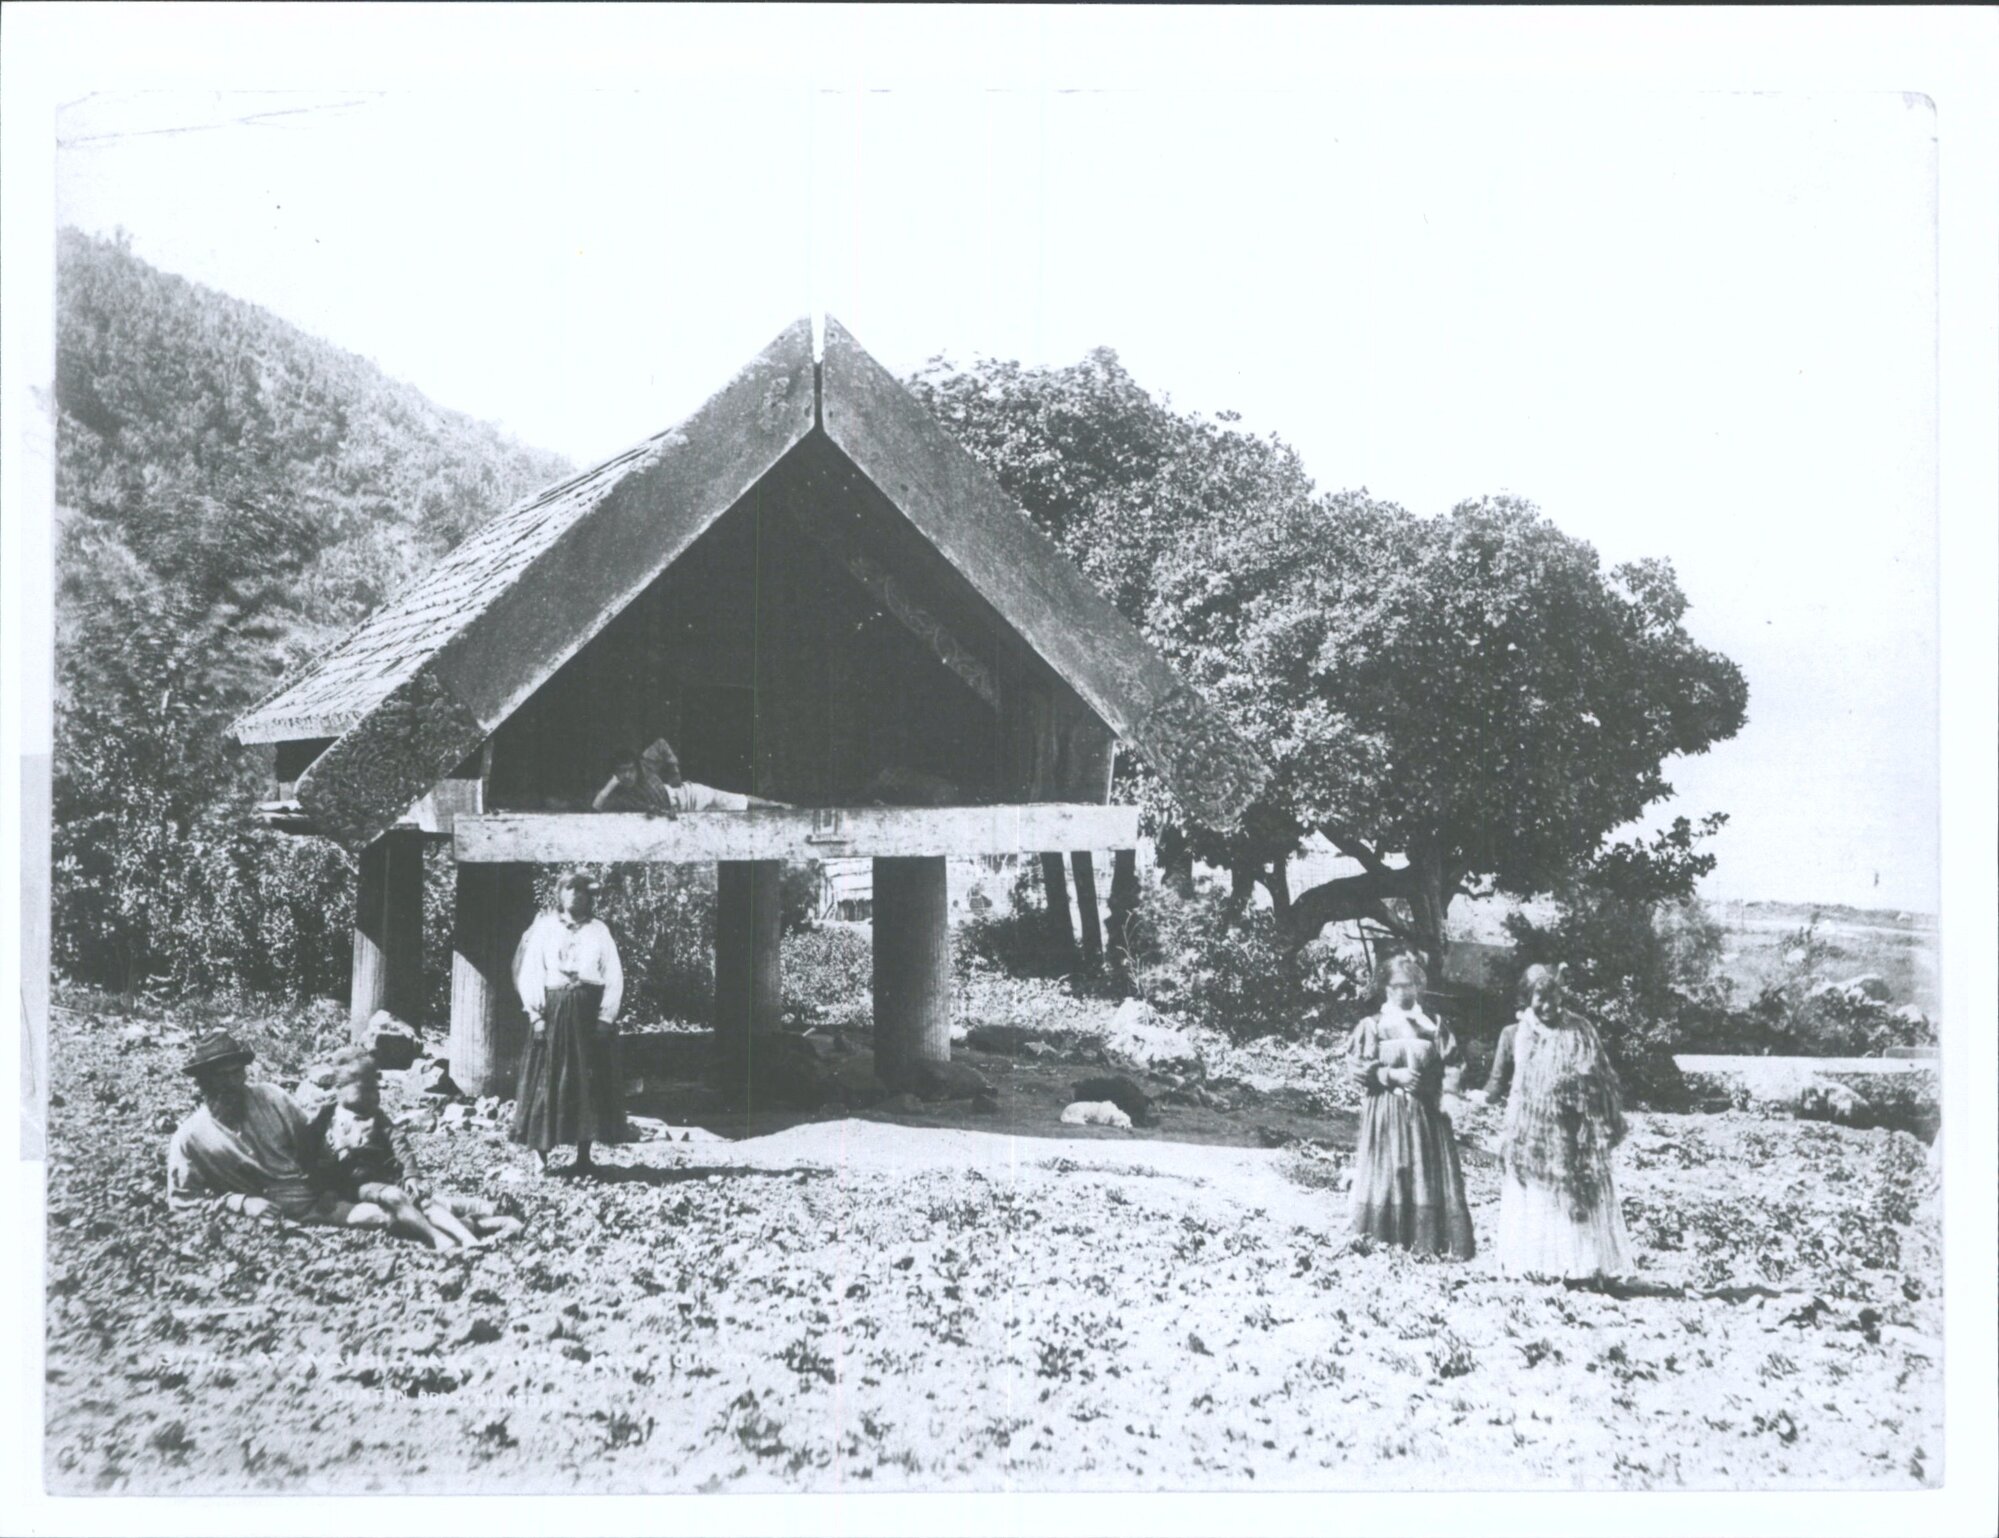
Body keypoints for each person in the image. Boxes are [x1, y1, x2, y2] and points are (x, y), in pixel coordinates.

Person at [166, 1031, 393, 1233]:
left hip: (318, 1197)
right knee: (382, 1215)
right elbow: (182, 1204)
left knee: (388, 1207)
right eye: (221, 1076)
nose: (231, 1083)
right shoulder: (190, 1137)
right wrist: (241, 1203)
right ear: (203, 1082)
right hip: (273, 1216)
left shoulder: (272, 1098)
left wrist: (329, 1186)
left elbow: (316, 1145)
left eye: (236, 1073)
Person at [1495, 963, 1633, 1281]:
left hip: (1574, 1132)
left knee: (1576, 1194)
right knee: (1539, 1198)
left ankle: (1582, 1267)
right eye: (1540, 998)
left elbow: (1602, 1075)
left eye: (1554, 996)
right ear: (1527, 999)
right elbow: (1499, 1083)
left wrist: (1587, 1095)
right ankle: (1538, 1267)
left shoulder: (1580, 1030)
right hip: (1530, 1135)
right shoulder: (1515, 1034)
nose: (1549, 1005)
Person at [308, 1047, 522, 1250]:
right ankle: (451, 1232)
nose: (375, 1096)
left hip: (384, 1177)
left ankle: (471, 1232)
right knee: (398, 1205)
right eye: (365, 1090)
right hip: (352, 1186)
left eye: (376, 1089)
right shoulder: (325, 1119)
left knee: (423, 1203)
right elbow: (311, 1157)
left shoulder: (377, 1117)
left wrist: (411, 1174)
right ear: (339, 1089)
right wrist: (325, 1190)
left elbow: (399, 1143)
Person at [1347, 955, 1476, 1259]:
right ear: (1385, 989)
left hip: (1426, 1114)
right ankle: (1383, 1239)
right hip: (1386, 1112)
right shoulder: (1373, 1026)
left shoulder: (1433, 1025)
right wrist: (1390, 1075)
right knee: (1390, 1170)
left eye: (1409, 986)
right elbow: (1357, 1066)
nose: (1402, 993)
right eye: (1395, 987)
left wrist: (1445, 1091)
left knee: (1422, 1173)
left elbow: (1453, 1064)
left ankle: (1425, 1242)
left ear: (1419, 986)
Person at [510, 871, 629, 1175]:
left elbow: (613, 975)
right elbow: (532, 970)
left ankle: (584, 1156)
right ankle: (540, 1155)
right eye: (570, 889)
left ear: (591, 897)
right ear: (559, 894)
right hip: (554, 1012)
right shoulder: (546, 928)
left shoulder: (600, 931)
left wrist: (605, 1017)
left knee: (587, 1081)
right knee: (546, 1080)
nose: (576, 895)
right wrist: (535, 1015)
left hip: (588, 1013)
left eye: (582, 891)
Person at [593, 736, 787, 814]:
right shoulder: (622, 795)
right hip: (680, 813)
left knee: (735, 801)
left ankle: (779, 806)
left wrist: (673, 771)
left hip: (687, 796)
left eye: (630, 769)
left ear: (636, 767)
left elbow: (661, 744)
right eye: (621, 771)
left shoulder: (644, 765)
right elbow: (597, 806)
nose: (627, 775)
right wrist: (611, 783)